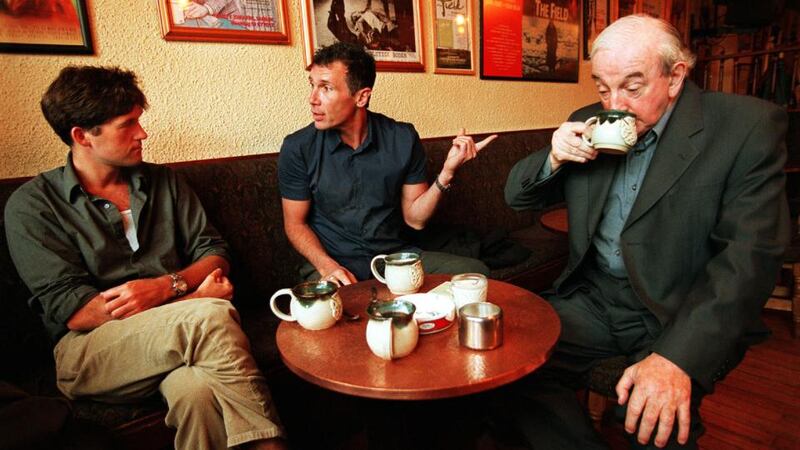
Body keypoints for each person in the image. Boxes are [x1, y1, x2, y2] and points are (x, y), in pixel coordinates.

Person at [502, 14, 789, 449]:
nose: (614, 103)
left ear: (675, 77)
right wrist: (554, 158)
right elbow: (515, 197)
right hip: (594, 299)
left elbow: (749, 260)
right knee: (508, 363)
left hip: (678, 308)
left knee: (653, 423)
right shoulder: (588, 122)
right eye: (602, 88)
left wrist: (677, 357)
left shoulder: (744, 126)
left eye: (632, 88)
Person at [4, 66, 286, 450]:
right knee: (210, 316)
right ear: (82, 135)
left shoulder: (165, 182)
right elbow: (78, 310)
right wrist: (192, 300)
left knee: (197, 393)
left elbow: (214, 254)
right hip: (89, 351)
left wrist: (165, 286)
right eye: (128, 124)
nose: (143, 133)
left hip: (177, 338)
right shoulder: (33, 206)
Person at [278, 42, 496, 285]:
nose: (312, 99)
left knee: (475, 275)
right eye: (313, 86)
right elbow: (295, 224)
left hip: (394, 259)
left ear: (361, 96)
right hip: (332, 262)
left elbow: (415, 219)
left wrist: (446, 173)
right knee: (329, 311)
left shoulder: (401, 137)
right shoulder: (298, 147)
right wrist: (327, 266)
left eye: (326, 88)